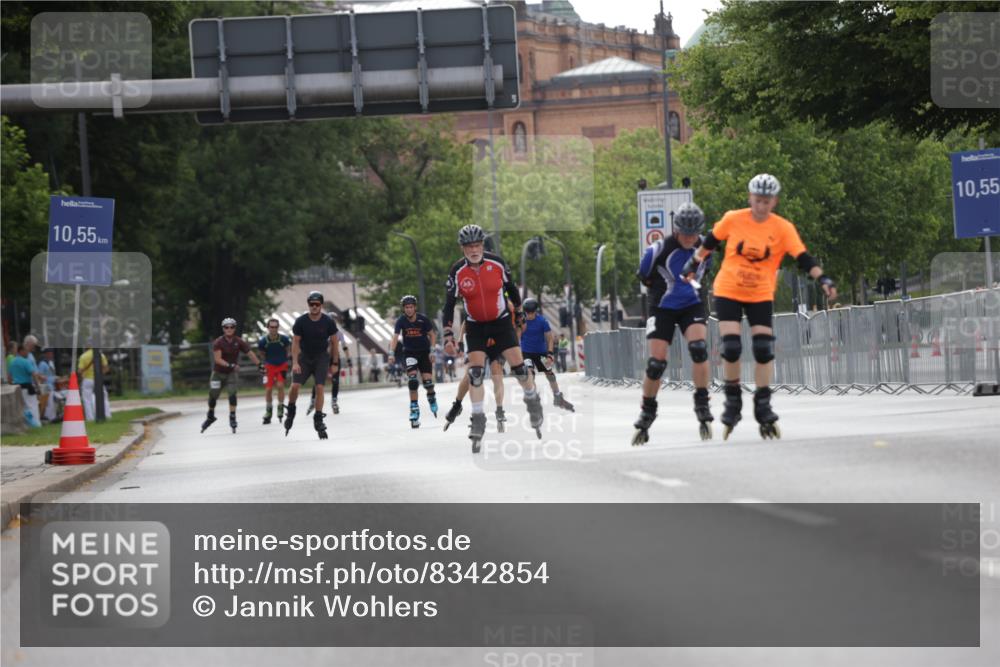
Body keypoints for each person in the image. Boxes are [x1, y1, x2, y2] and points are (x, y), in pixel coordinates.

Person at [680, 174, 837, 439]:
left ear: (774, 201)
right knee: (731, 347)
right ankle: (733, 400)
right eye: (757, 200)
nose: (761, 206)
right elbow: (709, 242)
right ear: (749, 197)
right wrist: (693, 263)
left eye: (766, 202)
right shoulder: (733, 218)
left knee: (763, 349)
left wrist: (822, 278)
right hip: (728, 289)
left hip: (760, 293)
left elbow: (803, 257)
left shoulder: (783, 228)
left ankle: (763, 405)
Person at [442, 224, 544, 451]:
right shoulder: (457, 271)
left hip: (500, 323)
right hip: (476, 326)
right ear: (462, 249)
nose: (474, 250)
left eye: (477, 245)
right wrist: (448, 333)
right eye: (469, 247)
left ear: (482, 245)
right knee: (475, 373)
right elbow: (449, 305)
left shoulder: (496, 263)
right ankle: (478, 419)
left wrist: (518, 312)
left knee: (518, 368)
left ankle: (532, 399)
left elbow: (512, 288)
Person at [633, 202, 713, 445]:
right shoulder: (657, 250)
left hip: (692, 305)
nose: (690, 238)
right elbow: (644, 276)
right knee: (657, 363)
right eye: (685, 233)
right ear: (676, 229)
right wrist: (665, 291)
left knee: (698, 349)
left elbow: (704, 273)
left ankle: (702, 401)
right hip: (662, 307)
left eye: (694, 233)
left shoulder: (705, 248)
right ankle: (647, 409)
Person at [284, 291, 339, 439]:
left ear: (321, 305)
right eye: (311, 304)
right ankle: (291, 408)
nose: (314, 307)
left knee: (320, 386)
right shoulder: (301, 321)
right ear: (308, 305)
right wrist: (295, 362)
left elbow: (334, 342)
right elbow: (295, 342)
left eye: (317, 304)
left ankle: (318, 417)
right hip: (304, 357)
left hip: (321, 357)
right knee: (295, 385)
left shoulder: (328, 321)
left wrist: (335, 362)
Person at [443, 320, 509, 433]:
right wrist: (460, 340)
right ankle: (457, 405)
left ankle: (499, 409)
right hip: (478, 340)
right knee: (472, 374)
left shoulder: (503, 304)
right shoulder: (476, 304)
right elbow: (466, 320)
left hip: (497, 341)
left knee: (496, 372)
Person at [201, 318, 260, 433]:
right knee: (213, 396)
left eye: (231, 327)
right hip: (218, 373)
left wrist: (260, 365)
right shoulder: (218, 342)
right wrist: (231, 365)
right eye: (226, 327)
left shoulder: (238, 341)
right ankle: (210, 415)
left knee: (232, 394)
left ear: (234, 328)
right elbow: (218, 359)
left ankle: (232, 417)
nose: (229, 329)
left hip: (231, 374)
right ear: (223, 329)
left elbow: (250, 353)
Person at [388, 295, 438, 428]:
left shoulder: (423, 319)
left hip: (424, 353)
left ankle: (431, 396)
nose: (409, 310)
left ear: (415, 307)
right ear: (403, 309)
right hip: (410, 353)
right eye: (406, 307)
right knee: (412, 381)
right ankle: (414, 411)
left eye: (411, 307)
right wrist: (391, 353)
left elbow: (432, 335)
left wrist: (432, 351)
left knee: (427, 383)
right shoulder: (401, 321)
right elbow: (395, 337)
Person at [520, 298, 574, 412]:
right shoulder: (521, 321)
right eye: (527, 313)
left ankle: (558, 397)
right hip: (526, 353)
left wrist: (549, 353)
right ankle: (534, 398)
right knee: (529, 374)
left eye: (531, 313)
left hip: (541, 352)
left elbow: (549, 338)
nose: (529, 315)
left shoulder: (542, 321)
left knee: (550, 374)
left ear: (535, 311)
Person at [309, 318, 350, 416]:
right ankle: (313, 400)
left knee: (335, 380)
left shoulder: (339, 333)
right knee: (319, 381)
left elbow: (344, 346)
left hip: (335, 359)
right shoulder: (322, 332)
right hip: (323, 359)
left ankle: (334, 401)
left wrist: (348, 358)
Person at [257, 318, 291, 425]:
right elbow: (261, 353)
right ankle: (268, 410)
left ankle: (280, 406)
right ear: (268, 328)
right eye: (272, 327)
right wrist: (263, 364)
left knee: (280, 386)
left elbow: (288, 349)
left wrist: (287, 358)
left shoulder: (284, 339)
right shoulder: (263, 341)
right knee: (268, 389)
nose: (274, 329)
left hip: (282, 365)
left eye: (276, 327)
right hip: (269, 366)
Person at [8, 344, 43, 427]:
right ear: (21, 351)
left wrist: (11, 385)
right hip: (27, 387)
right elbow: (34, 374)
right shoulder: (26, 362)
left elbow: (9, 377)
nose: (27, 353)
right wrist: (38, 387)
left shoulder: (12, 362)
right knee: (32, 406)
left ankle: (26, 424)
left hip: (16, 388)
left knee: (22, 407)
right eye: (26, 351)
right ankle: (36, 424)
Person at [78, 346, 112, 421]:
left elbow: (80, 371)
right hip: (98, 380)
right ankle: (107, 415)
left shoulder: (83, 356)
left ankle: (90, 418)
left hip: (87, 380)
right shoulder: (101, 355)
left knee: (87, 400)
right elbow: (106, 368)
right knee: (104, 397)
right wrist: (100, 375)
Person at [37, 348, 66, 422]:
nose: (52, 355)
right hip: (46, 386)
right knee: (48, 403)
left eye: (52, 353)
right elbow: (40, 375)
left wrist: (56, 378)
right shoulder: (42, 364)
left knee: (52, 403)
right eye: (50, 353)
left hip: (52, 385)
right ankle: (48, 417)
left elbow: (51, 374)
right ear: (46, 354)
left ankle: (52, 417)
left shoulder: (51, 362)